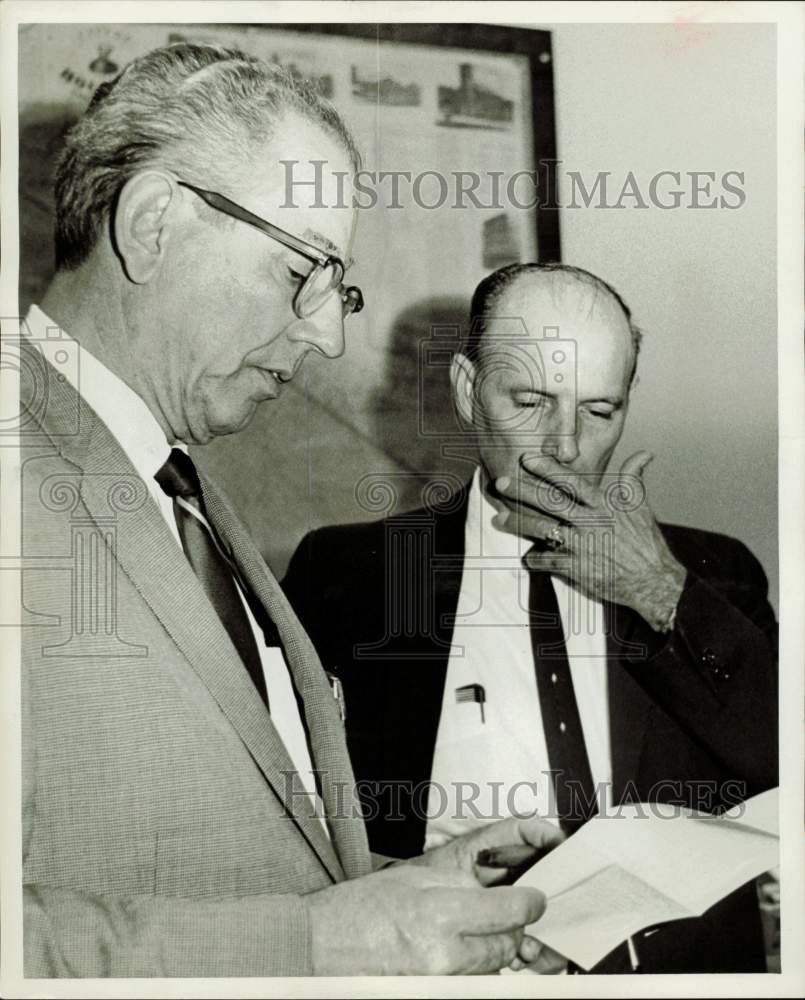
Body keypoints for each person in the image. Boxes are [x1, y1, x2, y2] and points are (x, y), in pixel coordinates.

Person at [18, 45, 566, 978]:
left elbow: (236, 856)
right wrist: (318, 944)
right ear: (154, 223)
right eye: (303, 271)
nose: (328, 332)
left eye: (337, 288)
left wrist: (408, 896)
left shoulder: (181, 486)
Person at [283, 262, 779, 973]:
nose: (564, 447)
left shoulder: (714, 574)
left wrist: (663, 593)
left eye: (598, 410)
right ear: (466, 391)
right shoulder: (351, 576)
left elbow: (777, 762)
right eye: (530, 402)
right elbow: (291, 815)